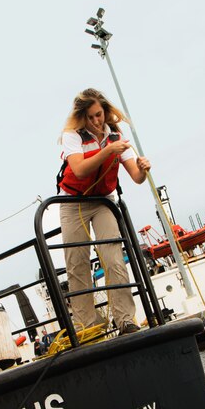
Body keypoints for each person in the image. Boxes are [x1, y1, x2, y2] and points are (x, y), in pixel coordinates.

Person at [56, 88, 151, 335]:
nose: (96, 121)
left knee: (113, 259)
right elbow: (79, 170)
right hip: (73, 202)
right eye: (90, 117)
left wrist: (143, 169)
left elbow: (136, 177)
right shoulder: (72, 136)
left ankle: (125, 320)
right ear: (82, 118)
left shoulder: (116, 136)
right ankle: (89, 325)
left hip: (103, 202)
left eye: (99, 115)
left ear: (105, 112)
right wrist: (107, 151)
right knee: (77, 263)